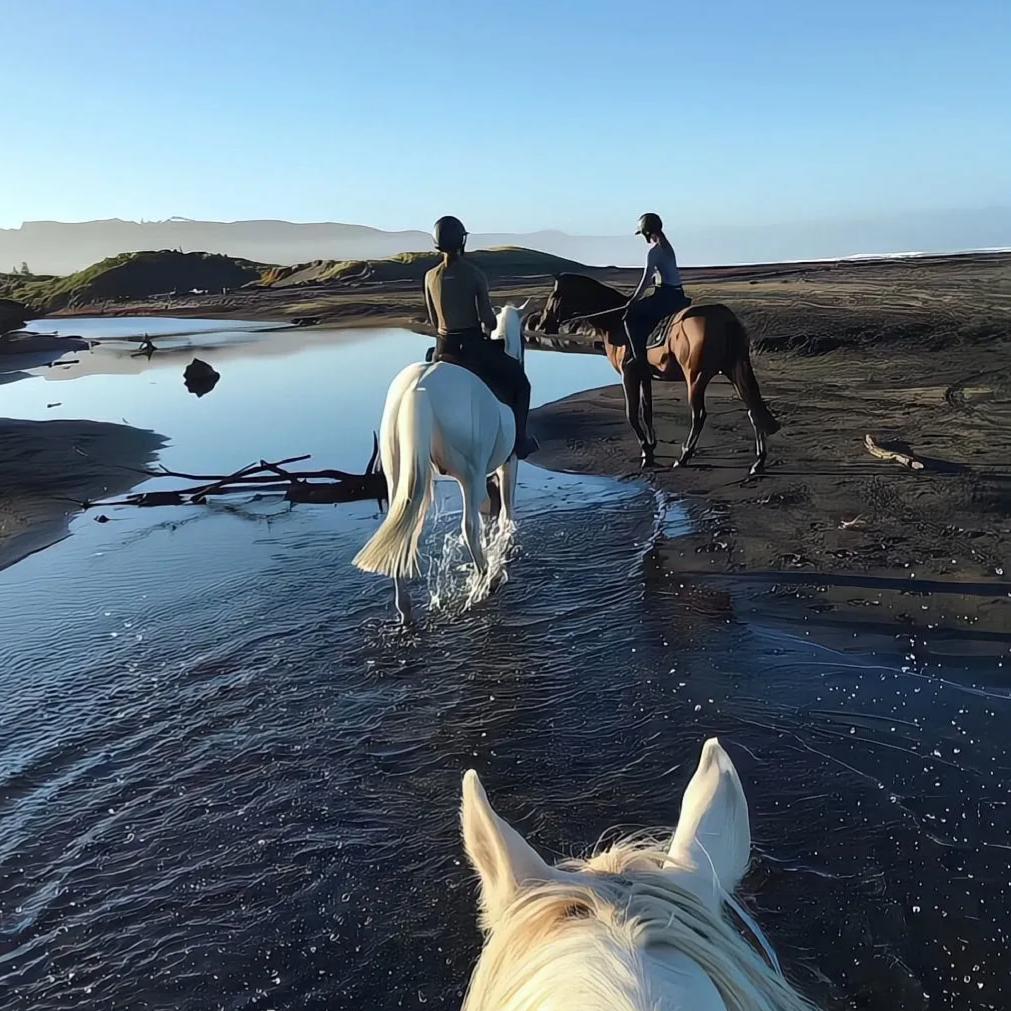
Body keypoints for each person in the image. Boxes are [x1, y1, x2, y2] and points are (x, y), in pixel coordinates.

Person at [424, 215, 537, 458]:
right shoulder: (474, 274)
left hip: (443, 350)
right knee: (521, 385)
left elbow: (434, 321)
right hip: (472, 350)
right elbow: (488, 320)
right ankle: (520, 441)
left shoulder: (429, 276)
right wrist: (492, 322)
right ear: (461, 242)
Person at [622, 212, 692, 362]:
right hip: (678, 294)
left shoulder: (654, 252)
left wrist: (634, 300)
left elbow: (647, 279)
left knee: (630, 316)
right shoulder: (667, 246)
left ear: (647, 233)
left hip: (665, 296)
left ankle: (638, 358)